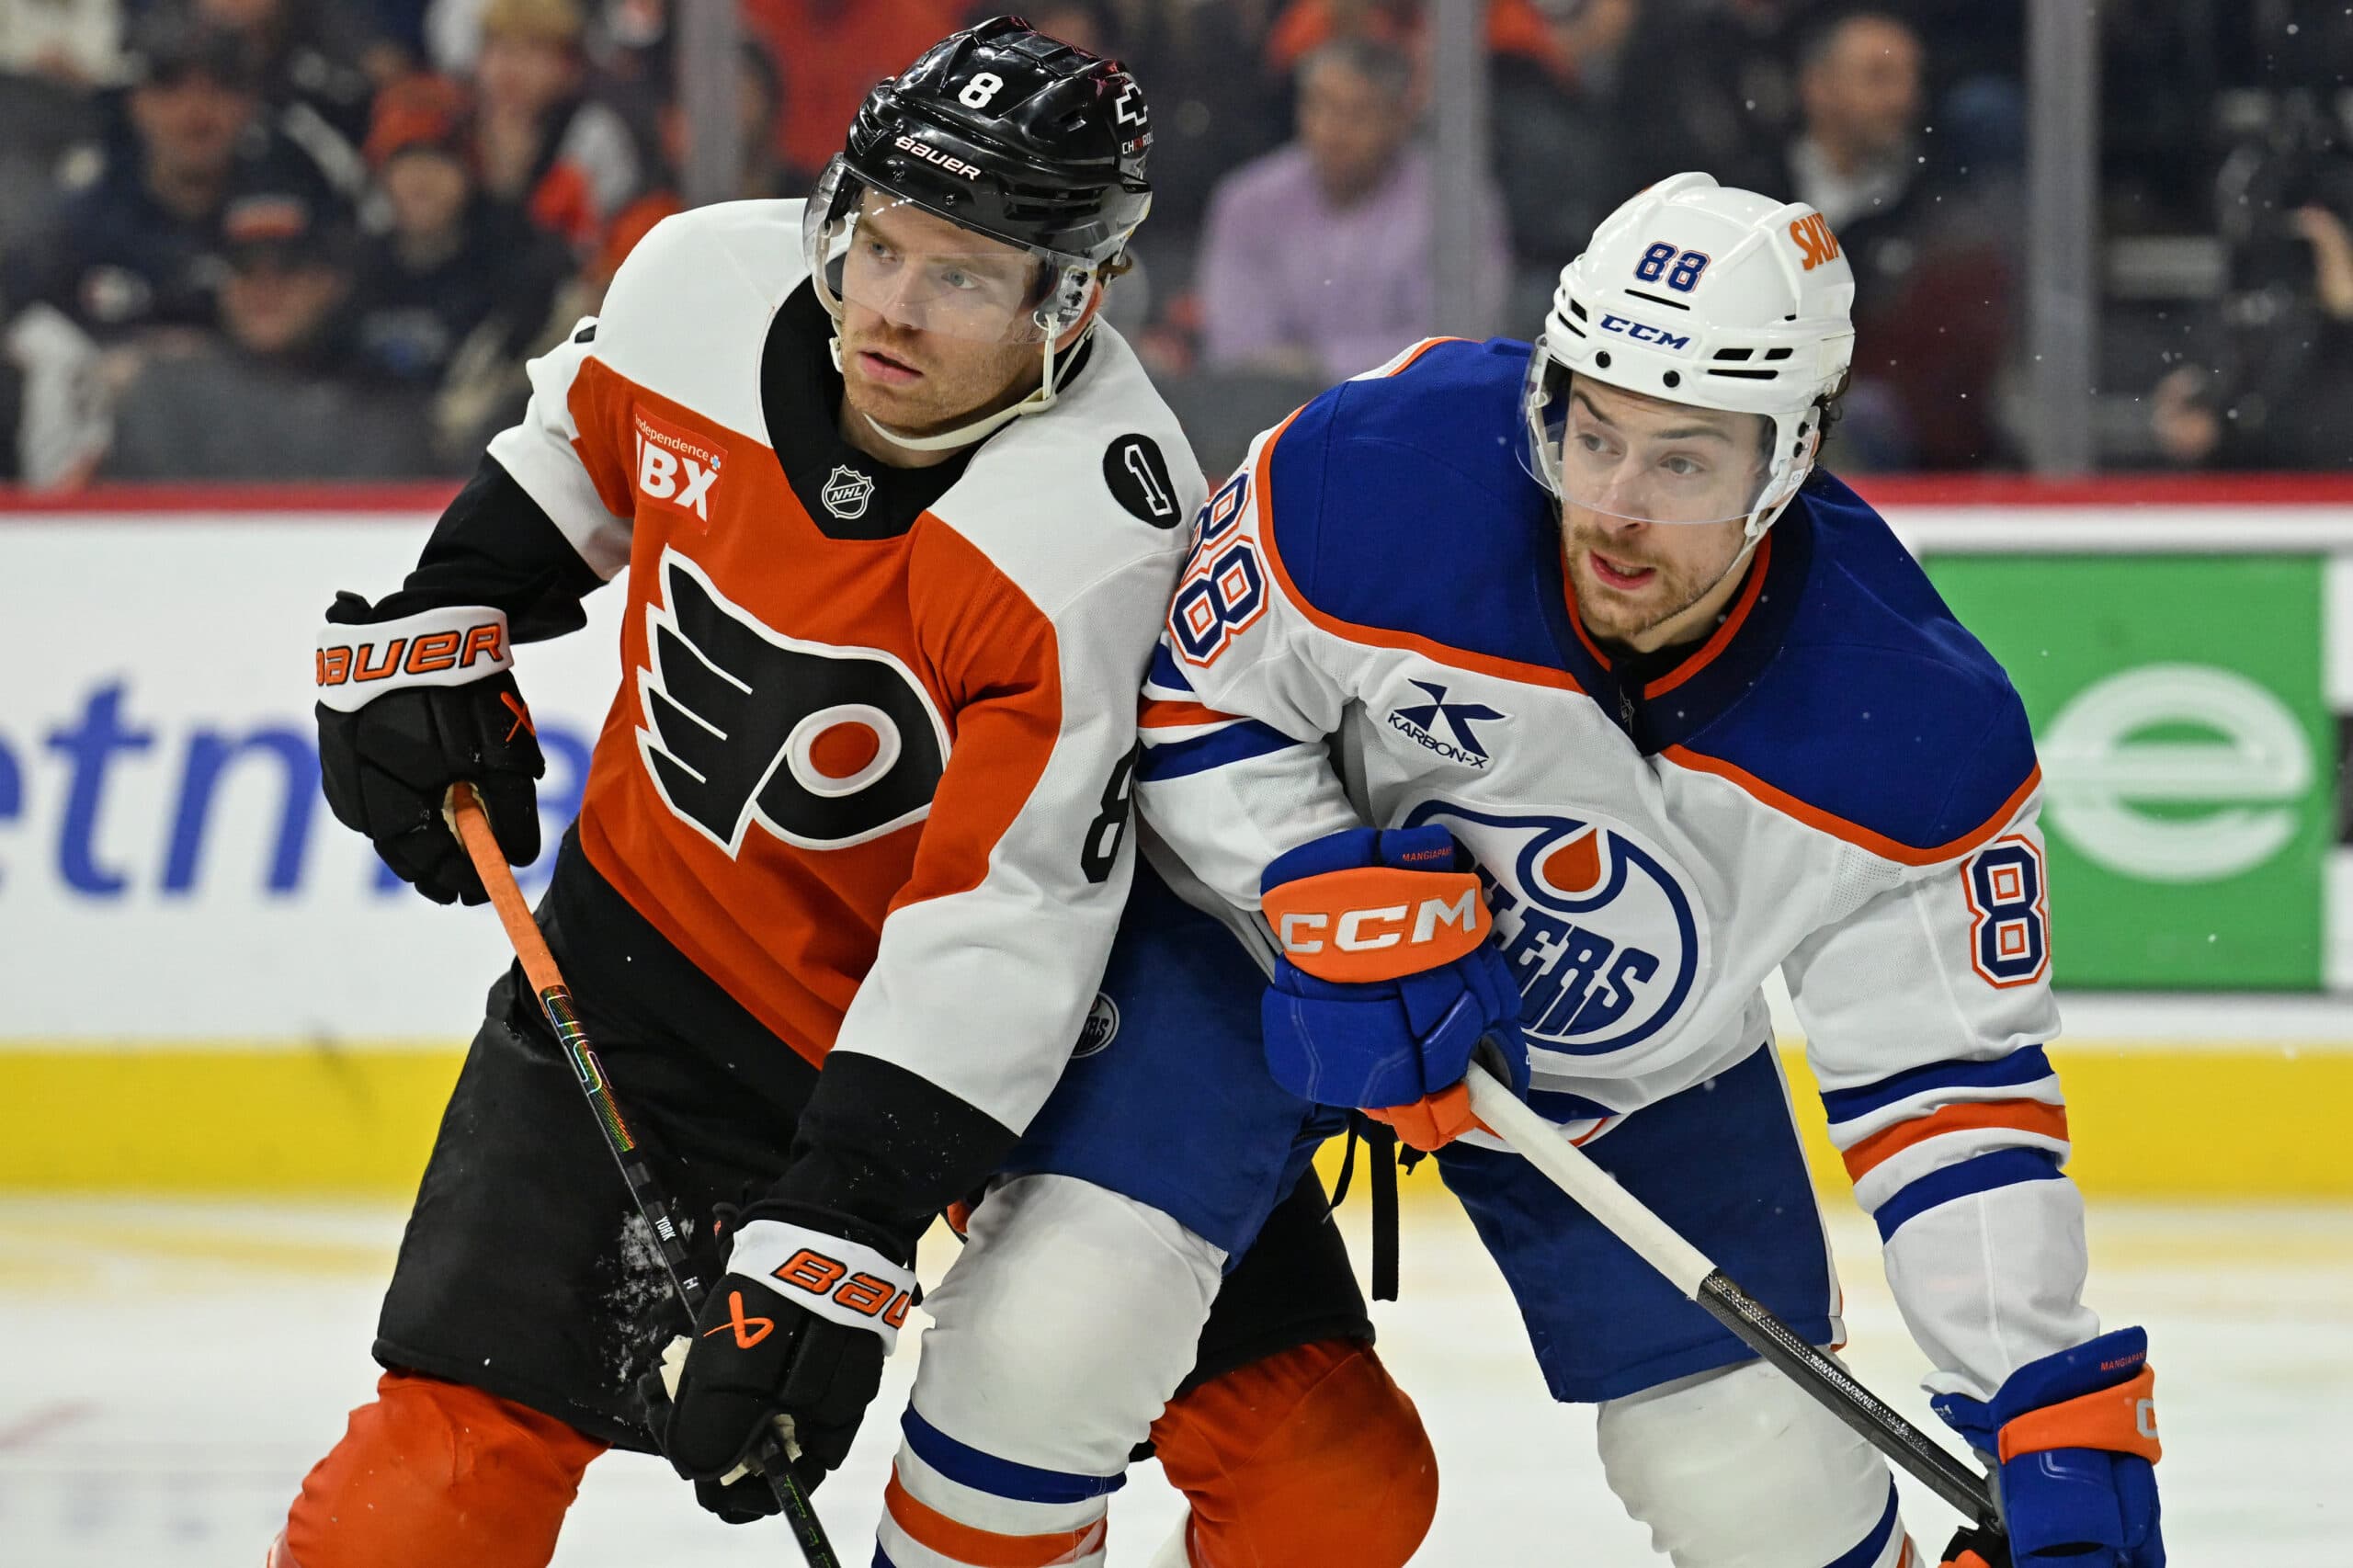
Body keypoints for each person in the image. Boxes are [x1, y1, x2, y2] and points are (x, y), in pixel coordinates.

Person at [275, 17, 1433, 1568]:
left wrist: (837, 1236)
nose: (888, 308)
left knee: (1329, 1477)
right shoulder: (697, 281)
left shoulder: (1090, 532)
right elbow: (578, 445)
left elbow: (1000, 926)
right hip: (658, 967)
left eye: (962, 277)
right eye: (877, 244)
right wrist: (447, 619)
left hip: (1017, 1051)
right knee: (418, 1503)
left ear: (1071, 295)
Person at [1135, 172, 2166, 1568]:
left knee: (1758, 1483)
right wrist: (1301, 883)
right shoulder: (1385, 466)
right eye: (1589, 430)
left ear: (1791, 456)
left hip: (1632, 1081)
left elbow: (1945, 1094)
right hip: (1247, 974)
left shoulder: (1908, 729)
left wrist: (2041, 1399)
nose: (1612, 506)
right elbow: (1198, 699)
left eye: (1682, 461)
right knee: (1061, 1324)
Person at [1196, 34, 1506, 380]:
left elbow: (1457, 341)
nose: (1333, 130)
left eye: (1358, 113)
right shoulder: (1248, 202)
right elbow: (1235, 347)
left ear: (1399, 119)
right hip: (1274, 416)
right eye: (1320, 106)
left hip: (1409, 413)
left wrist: (1318, 366)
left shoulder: (1454, 204)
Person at [101, 187, 438, 477]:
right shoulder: (167, 397)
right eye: (244, 269)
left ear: (331, 283)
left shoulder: (385, 410)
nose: (264, 291)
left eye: (287, 269)